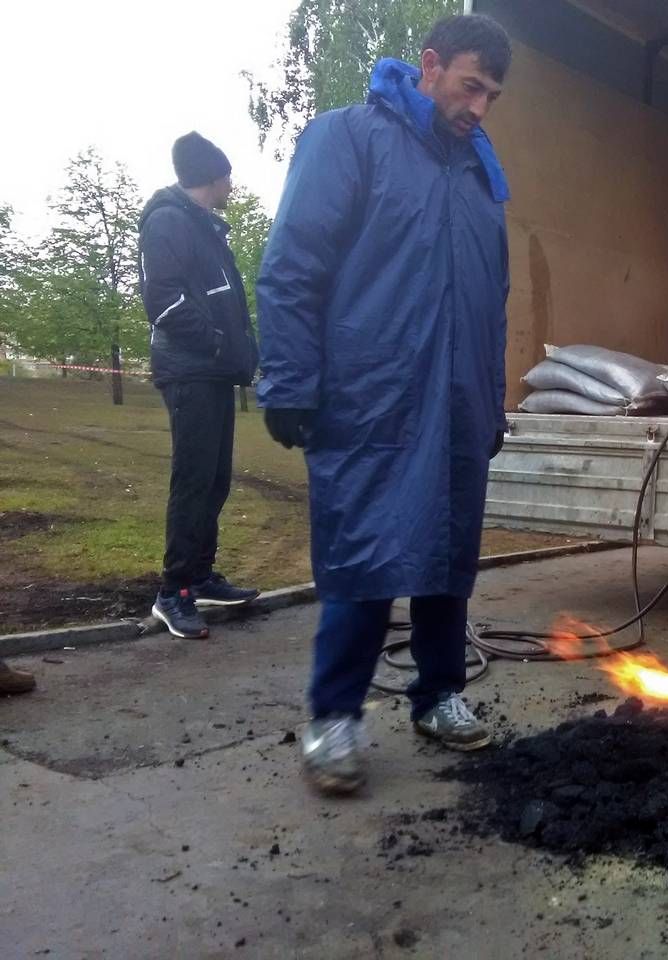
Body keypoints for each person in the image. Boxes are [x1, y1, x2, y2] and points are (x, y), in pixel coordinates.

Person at [256, 14, 512, 795]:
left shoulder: (477, 175)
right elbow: (293, 268)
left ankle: (438, 696)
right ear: (428, 66)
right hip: (374, 396)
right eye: (471, 86)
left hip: (458, 396)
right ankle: (334, 716)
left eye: (493, 95)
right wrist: (292, 380)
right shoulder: (348, 139)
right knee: (364, 558)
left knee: (446, 557)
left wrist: (490, 401)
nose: (481, 107)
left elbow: (491, 301)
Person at [139, 133, 261, 639]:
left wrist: (236, 351)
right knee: (192, 481)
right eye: (228, 176)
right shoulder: (168, 222)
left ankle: (201, 575)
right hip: (189, 370)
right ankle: (173, 592)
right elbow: (163, 302)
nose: (232, 184)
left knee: (214, 479)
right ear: (212, 178)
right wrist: (214, 343)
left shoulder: (205, 228)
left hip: (212, 372)